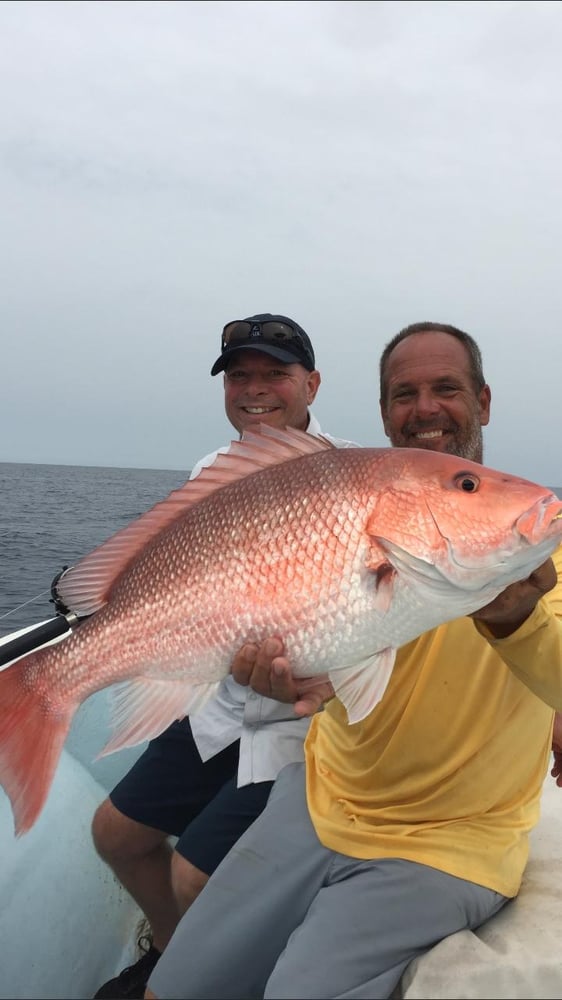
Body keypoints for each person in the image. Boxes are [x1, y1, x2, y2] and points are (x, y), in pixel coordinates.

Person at [145, 321, 562, 1000]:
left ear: (483, 402)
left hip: (450, 843)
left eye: (446, 389)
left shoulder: (541, 553)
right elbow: (340, 673)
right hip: (318, 799)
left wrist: (517, 619)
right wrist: (294, 680)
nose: (425, 407)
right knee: (170, 990)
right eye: (405, 393)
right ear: (384, 412)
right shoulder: (362, 526)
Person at [91, 313, 356, 999]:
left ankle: (216, 980)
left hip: (302, 731)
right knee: (116, 835)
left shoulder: (350, 477)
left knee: (195, 873)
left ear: (313, 383)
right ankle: (174, 952)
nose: (255, 389)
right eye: (240, 376)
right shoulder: (213, 470)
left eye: (275, 374)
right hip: (221, 705)